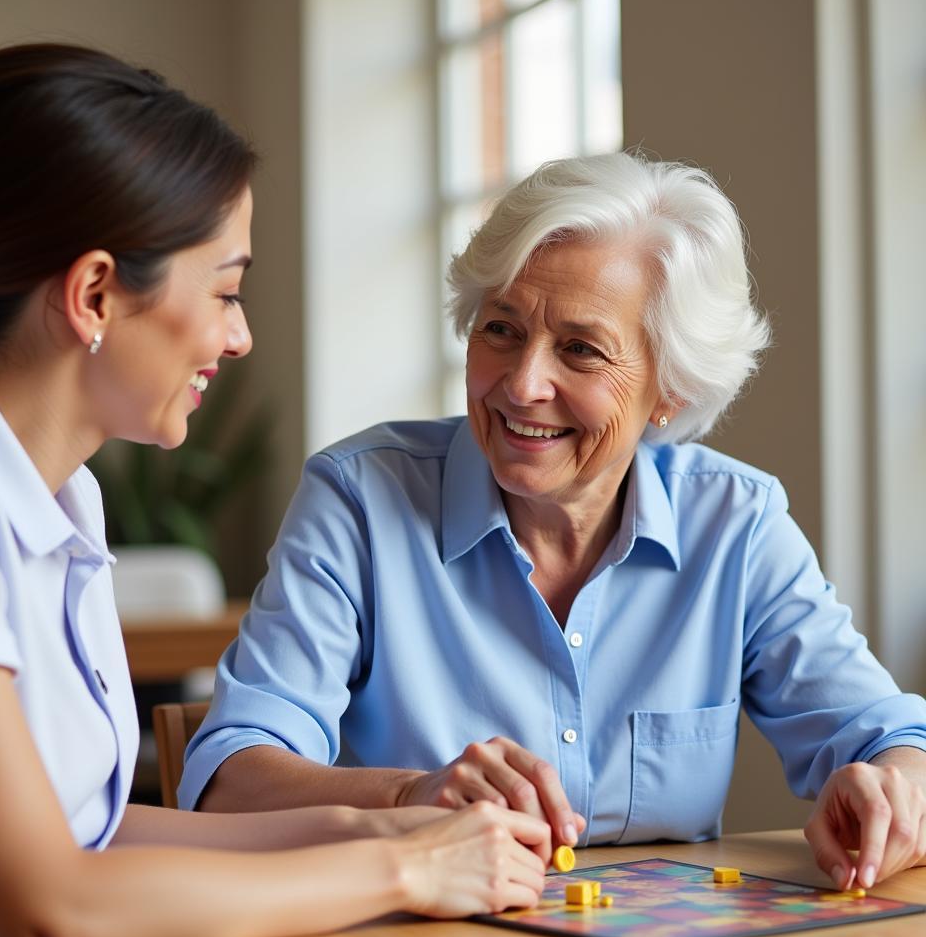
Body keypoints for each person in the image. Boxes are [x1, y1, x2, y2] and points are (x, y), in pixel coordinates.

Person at [0, 44, 549, 937]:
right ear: (92, 295)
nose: (240, 337)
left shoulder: (59, 492)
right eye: (226, 292)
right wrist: (403, 875)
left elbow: (89, 840)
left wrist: (390, 825)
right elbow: (51, 917)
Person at [185, 152, 926, 892]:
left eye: (579, 349)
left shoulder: (735, 522)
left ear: (669, 387)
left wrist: (894, 790)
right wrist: (409, 798)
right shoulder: (360, 498)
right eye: (501, 328)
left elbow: (890, 734)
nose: (522, 383)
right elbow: (228, 780)